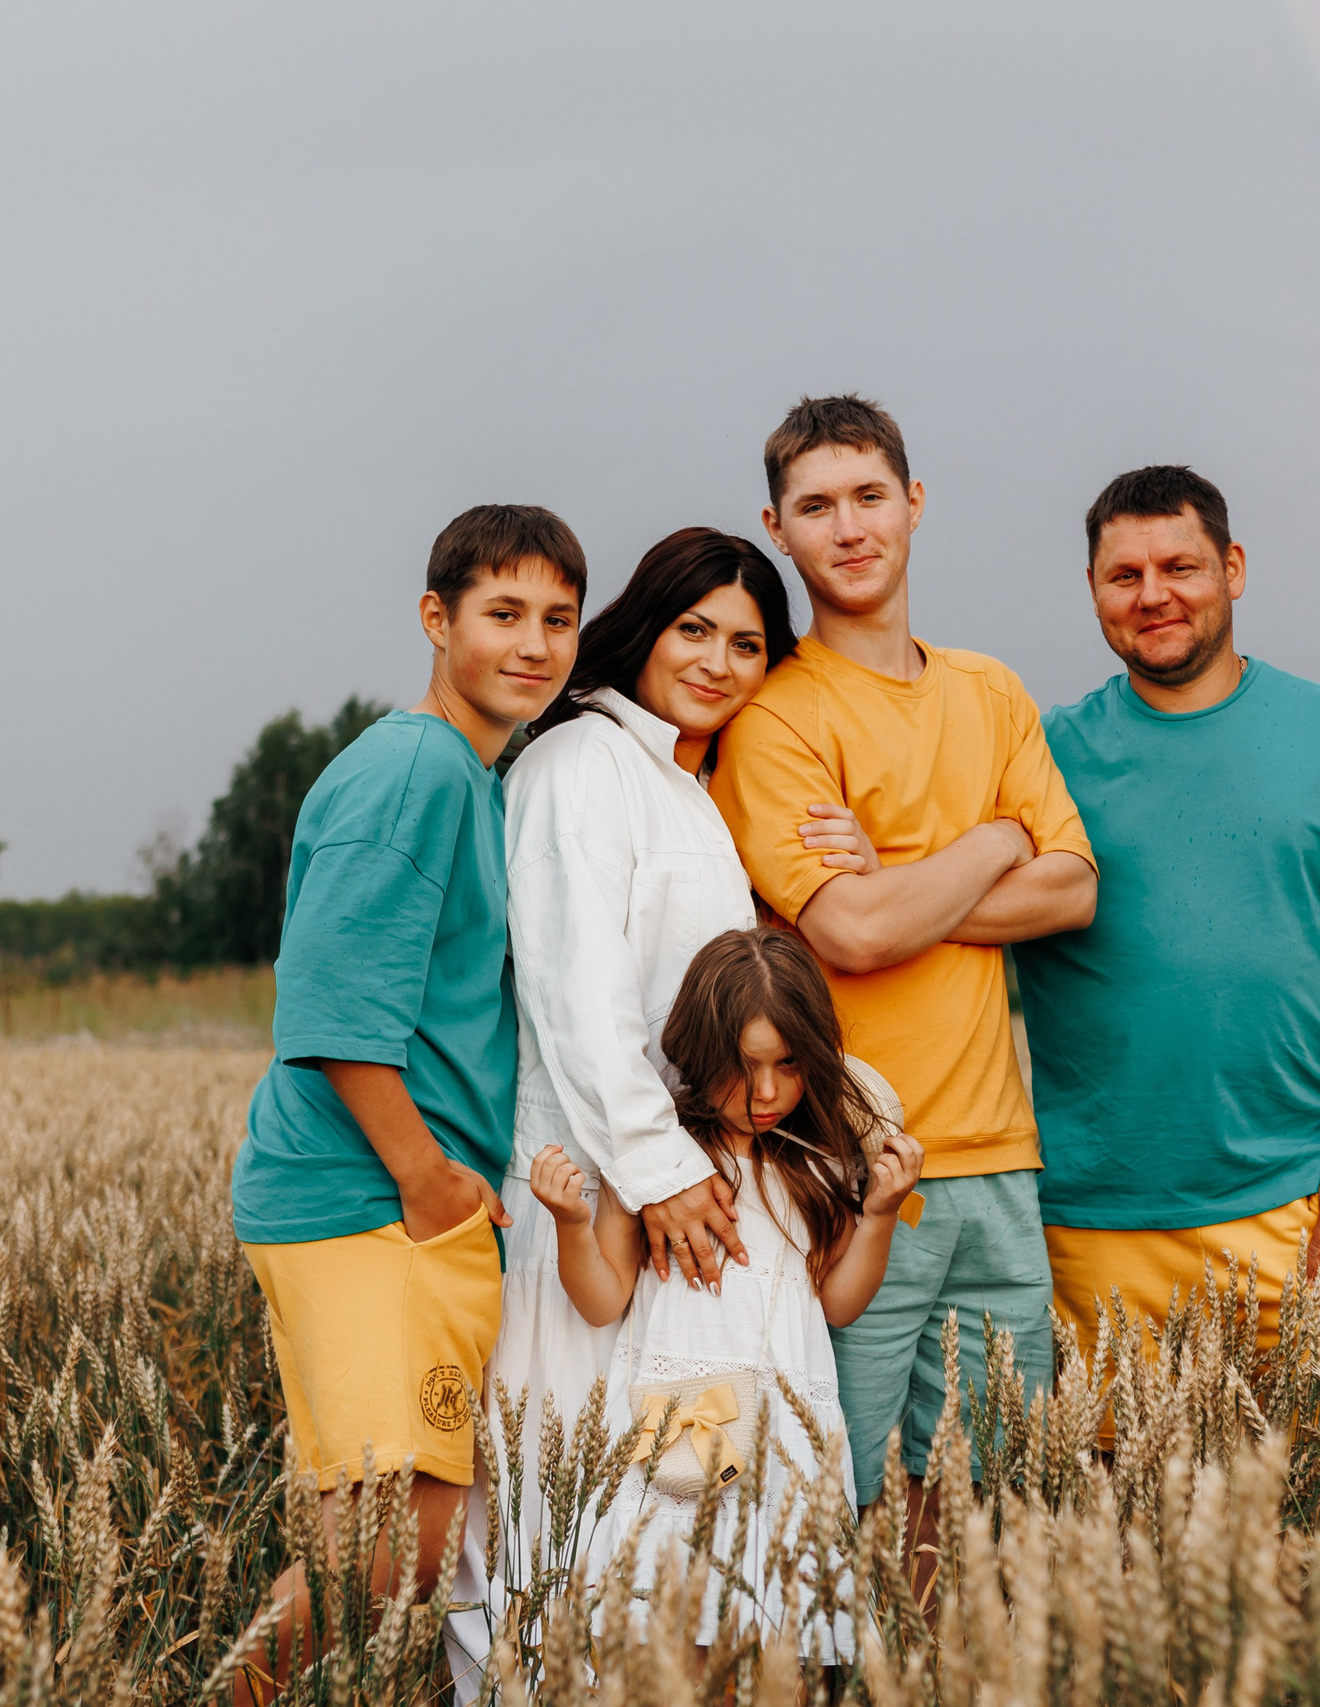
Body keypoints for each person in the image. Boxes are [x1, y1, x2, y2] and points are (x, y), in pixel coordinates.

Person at [707, 395, 1096, 1537]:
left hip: (998, 1171)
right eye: (816, 506)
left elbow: (1074, 892)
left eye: (869, 496)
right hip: (842, 1170)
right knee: (846, 1496)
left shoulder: (989, 690)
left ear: (914, 505)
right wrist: (989, 842)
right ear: (776, 527)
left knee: (984, 1497)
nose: (849, 527)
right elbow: (851, 936)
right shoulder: (774, 718)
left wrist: (903, 883)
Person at [225, 505, 584, 1706]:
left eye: (556, 620)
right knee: (389, 1544)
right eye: (502, 615)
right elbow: (328, 1009)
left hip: (390, 1209)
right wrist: (426, 1180)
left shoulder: (470, 773)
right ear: (436, 620)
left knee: (404, 1532)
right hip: (366, 1201)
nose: (532, 645)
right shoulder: (419, 767)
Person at [1012, 465, 1320, 1383]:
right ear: (1094, 591)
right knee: (1110, 1511)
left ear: (1234, 568)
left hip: (1301, 1209)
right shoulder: (1041, 750)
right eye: (1123, 575)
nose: (1153, 595)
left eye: (1180, 565)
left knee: (1315, 1503)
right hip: (1092, 1212)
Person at [489, 526, 851, 1602]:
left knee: (652, 1535)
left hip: (668, 1197)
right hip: (591, 1185)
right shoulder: (577, 762)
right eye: (694, 629)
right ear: (645, 629)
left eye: (746, 644)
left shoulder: (686, 786)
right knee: (557, 1522)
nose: (715, 661)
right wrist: (661, 1172)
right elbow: (579, 993)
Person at [527, 927, 925, 1660]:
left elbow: (837, 1303)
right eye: (744, 1068)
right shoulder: (657, 1163)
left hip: (791, 1432)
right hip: (694, 1406)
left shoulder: (820, 1164)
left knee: (787, 1642)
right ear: (700, 1053)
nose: (767, 1091)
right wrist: (571, 1224)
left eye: (789, 1063)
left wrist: (880, 1214)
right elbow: (601, 1299)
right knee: (685, 1631)